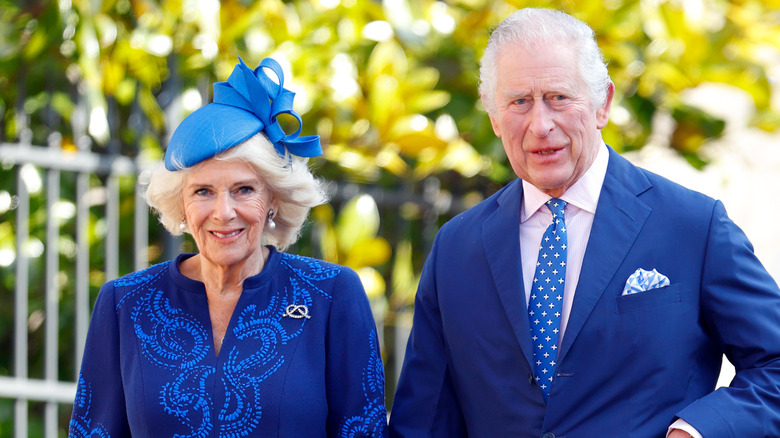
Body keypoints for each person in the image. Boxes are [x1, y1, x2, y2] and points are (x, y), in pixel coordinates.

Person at [388, 7, 780, 438]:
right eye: (519, 102)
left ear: (602, 103)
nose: (540, 125)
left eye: (558, 97)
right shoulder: (456, 247)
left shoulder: (693, 226)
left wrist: (697, 430)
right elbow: (423, 419)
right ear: (494, 117)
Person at [69, 57, 388, 437]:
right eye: (203, 191)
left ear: (273, 199)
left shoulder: (330, 294)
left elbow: (363, 430)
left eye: (244, 190)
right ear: (181, 204)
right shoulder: (126, 302)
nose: (223, 213)